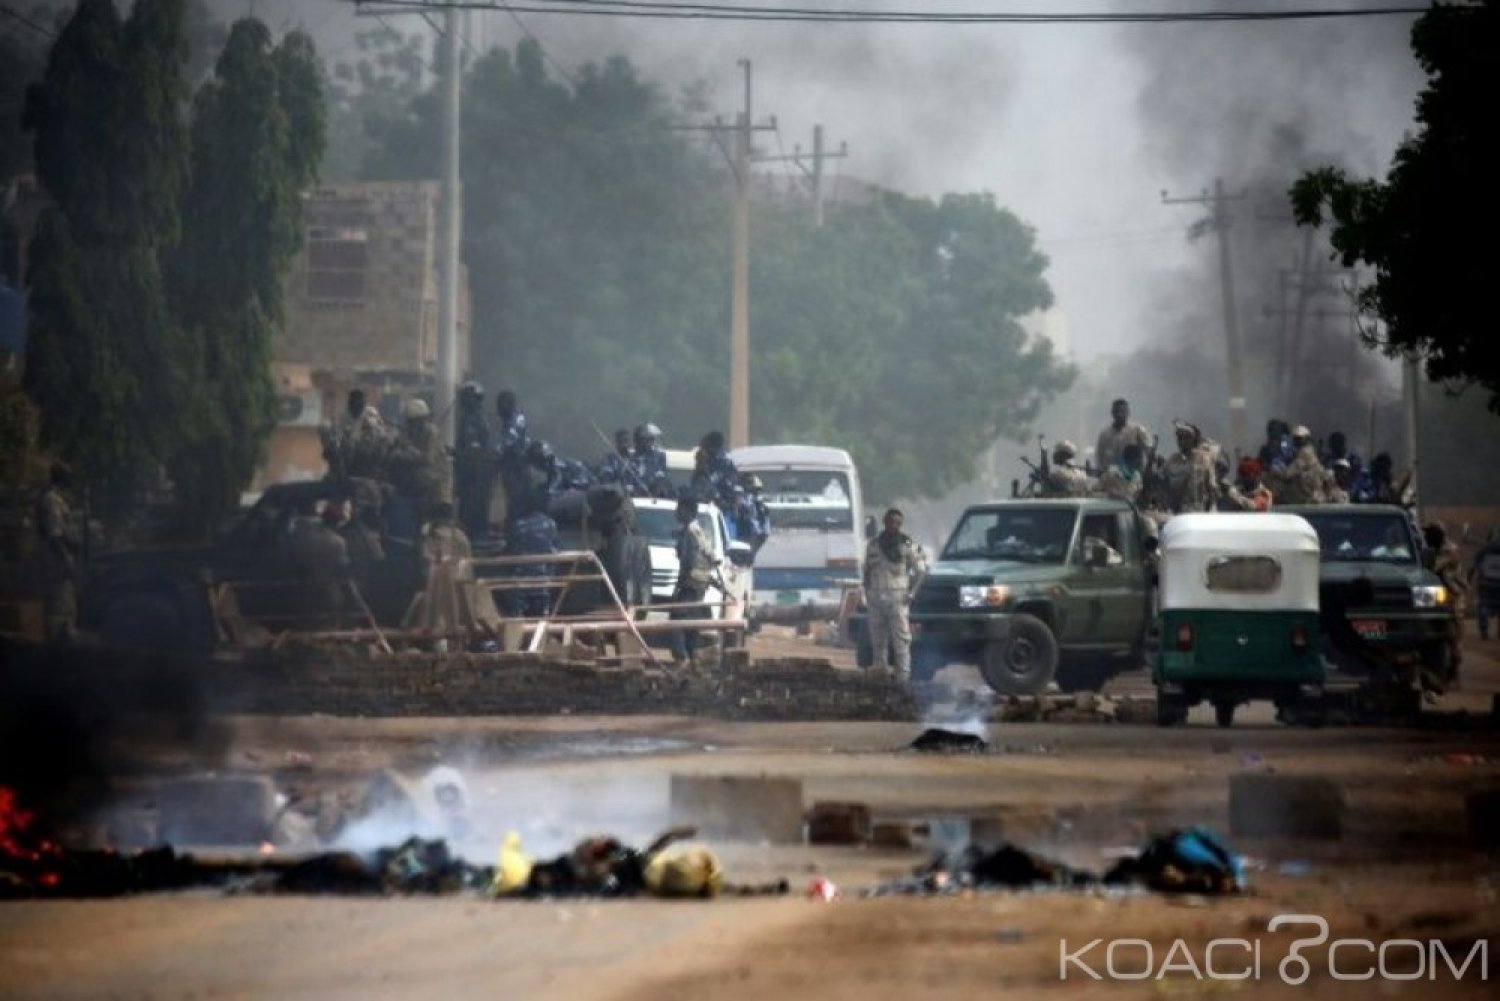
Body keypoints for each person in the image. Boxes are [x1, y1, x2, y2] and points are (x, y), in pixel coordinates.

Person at [862, 507, 926, 680]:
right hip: (876, 597)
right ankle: (880, 672)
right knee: (877, 638)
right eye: (891, 522)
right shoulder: (873, 545)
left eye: (898, 523)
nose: (894, 526)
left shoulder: (907, 545)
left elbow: (921, 571)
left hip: (898, 598)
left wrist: (912, 593)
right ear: (885, 522)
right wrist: (867, 592)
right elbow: (866, 570)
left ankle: (903, 676)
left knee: (901, 640)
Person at [668, 496, 717, 666]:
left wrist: (677, 587)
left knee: (676, 621)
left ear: (687, 511)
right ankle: (694, 658)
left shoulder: (690, 532)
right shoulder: (698, 531)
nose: (676, 512)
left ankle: (682, 659)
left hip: (690, 584)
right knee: (691, 622)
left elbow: (687, 563)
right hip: (699, 584)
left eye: (679, 509)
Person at [34, 462, 80, 643]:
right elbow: (55, 535)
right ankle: (56, 650)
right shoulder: (50, 500)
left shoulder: (55, 497)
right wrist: (66, 560)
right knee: (58, 608)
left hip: (58, 557)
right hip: (55, 560)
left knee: (66, 605)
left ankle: (62, 645)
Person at [1163, 421, 1218, 514]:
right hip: (1179, 513)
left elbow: (1212, 488)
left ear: (1193, 440)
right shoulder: (1171, 462)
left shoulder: (1204, 460)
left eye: (1186, 438)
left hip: (1200, 511)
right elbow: (1164, 487)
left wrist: (1213, 508)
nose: (1182, 441)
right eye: (1180, 438)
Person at [1267, 425, 1329, 505]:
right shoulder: (1301, 452)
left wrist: (1274, 472)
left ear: (1306, 439)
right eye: (1295, 439)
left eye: (1299, 439)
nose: (1297, 441)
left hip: (1309, 497)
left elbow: (1288, 474)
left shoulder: (1305, 453)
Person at [1095, 399, 1152, 474]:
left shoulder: (1137, 431)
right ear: (1112, 413)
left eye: (1122, 411)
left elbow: (1149, 452)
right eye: (1117, 411)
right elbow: (1099, 457)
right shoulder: (1104, 435)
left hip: (1133, 478)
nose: (1119, 414)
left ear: (1128, 413)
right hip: (1111, 478)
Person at [1470, 527, 1500, 641]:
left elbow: (1475, 567)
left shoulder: (1483, 552)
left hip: (1486, 584)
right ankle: (1484, 630)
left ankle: (1484, 630)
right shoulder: (1483, 552)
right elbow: (1475, 567)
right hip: (1486, 585)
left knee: (1483, 606)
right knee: (1483, 606)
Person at [629, 423, 671, 498]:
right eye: (644, 439)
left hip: (653, 498)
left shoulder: (658, 458)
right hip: (632, 497)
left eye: (651, 439)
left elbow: (661, 478)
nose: (650, 443)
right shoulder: (628, 458)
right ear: (636, 440)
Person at [735, 473, 771, 557]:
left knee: (748, 553)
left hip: (753, 531)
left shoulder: (754, 500)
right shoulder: (750, 499)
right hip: (753, 531)